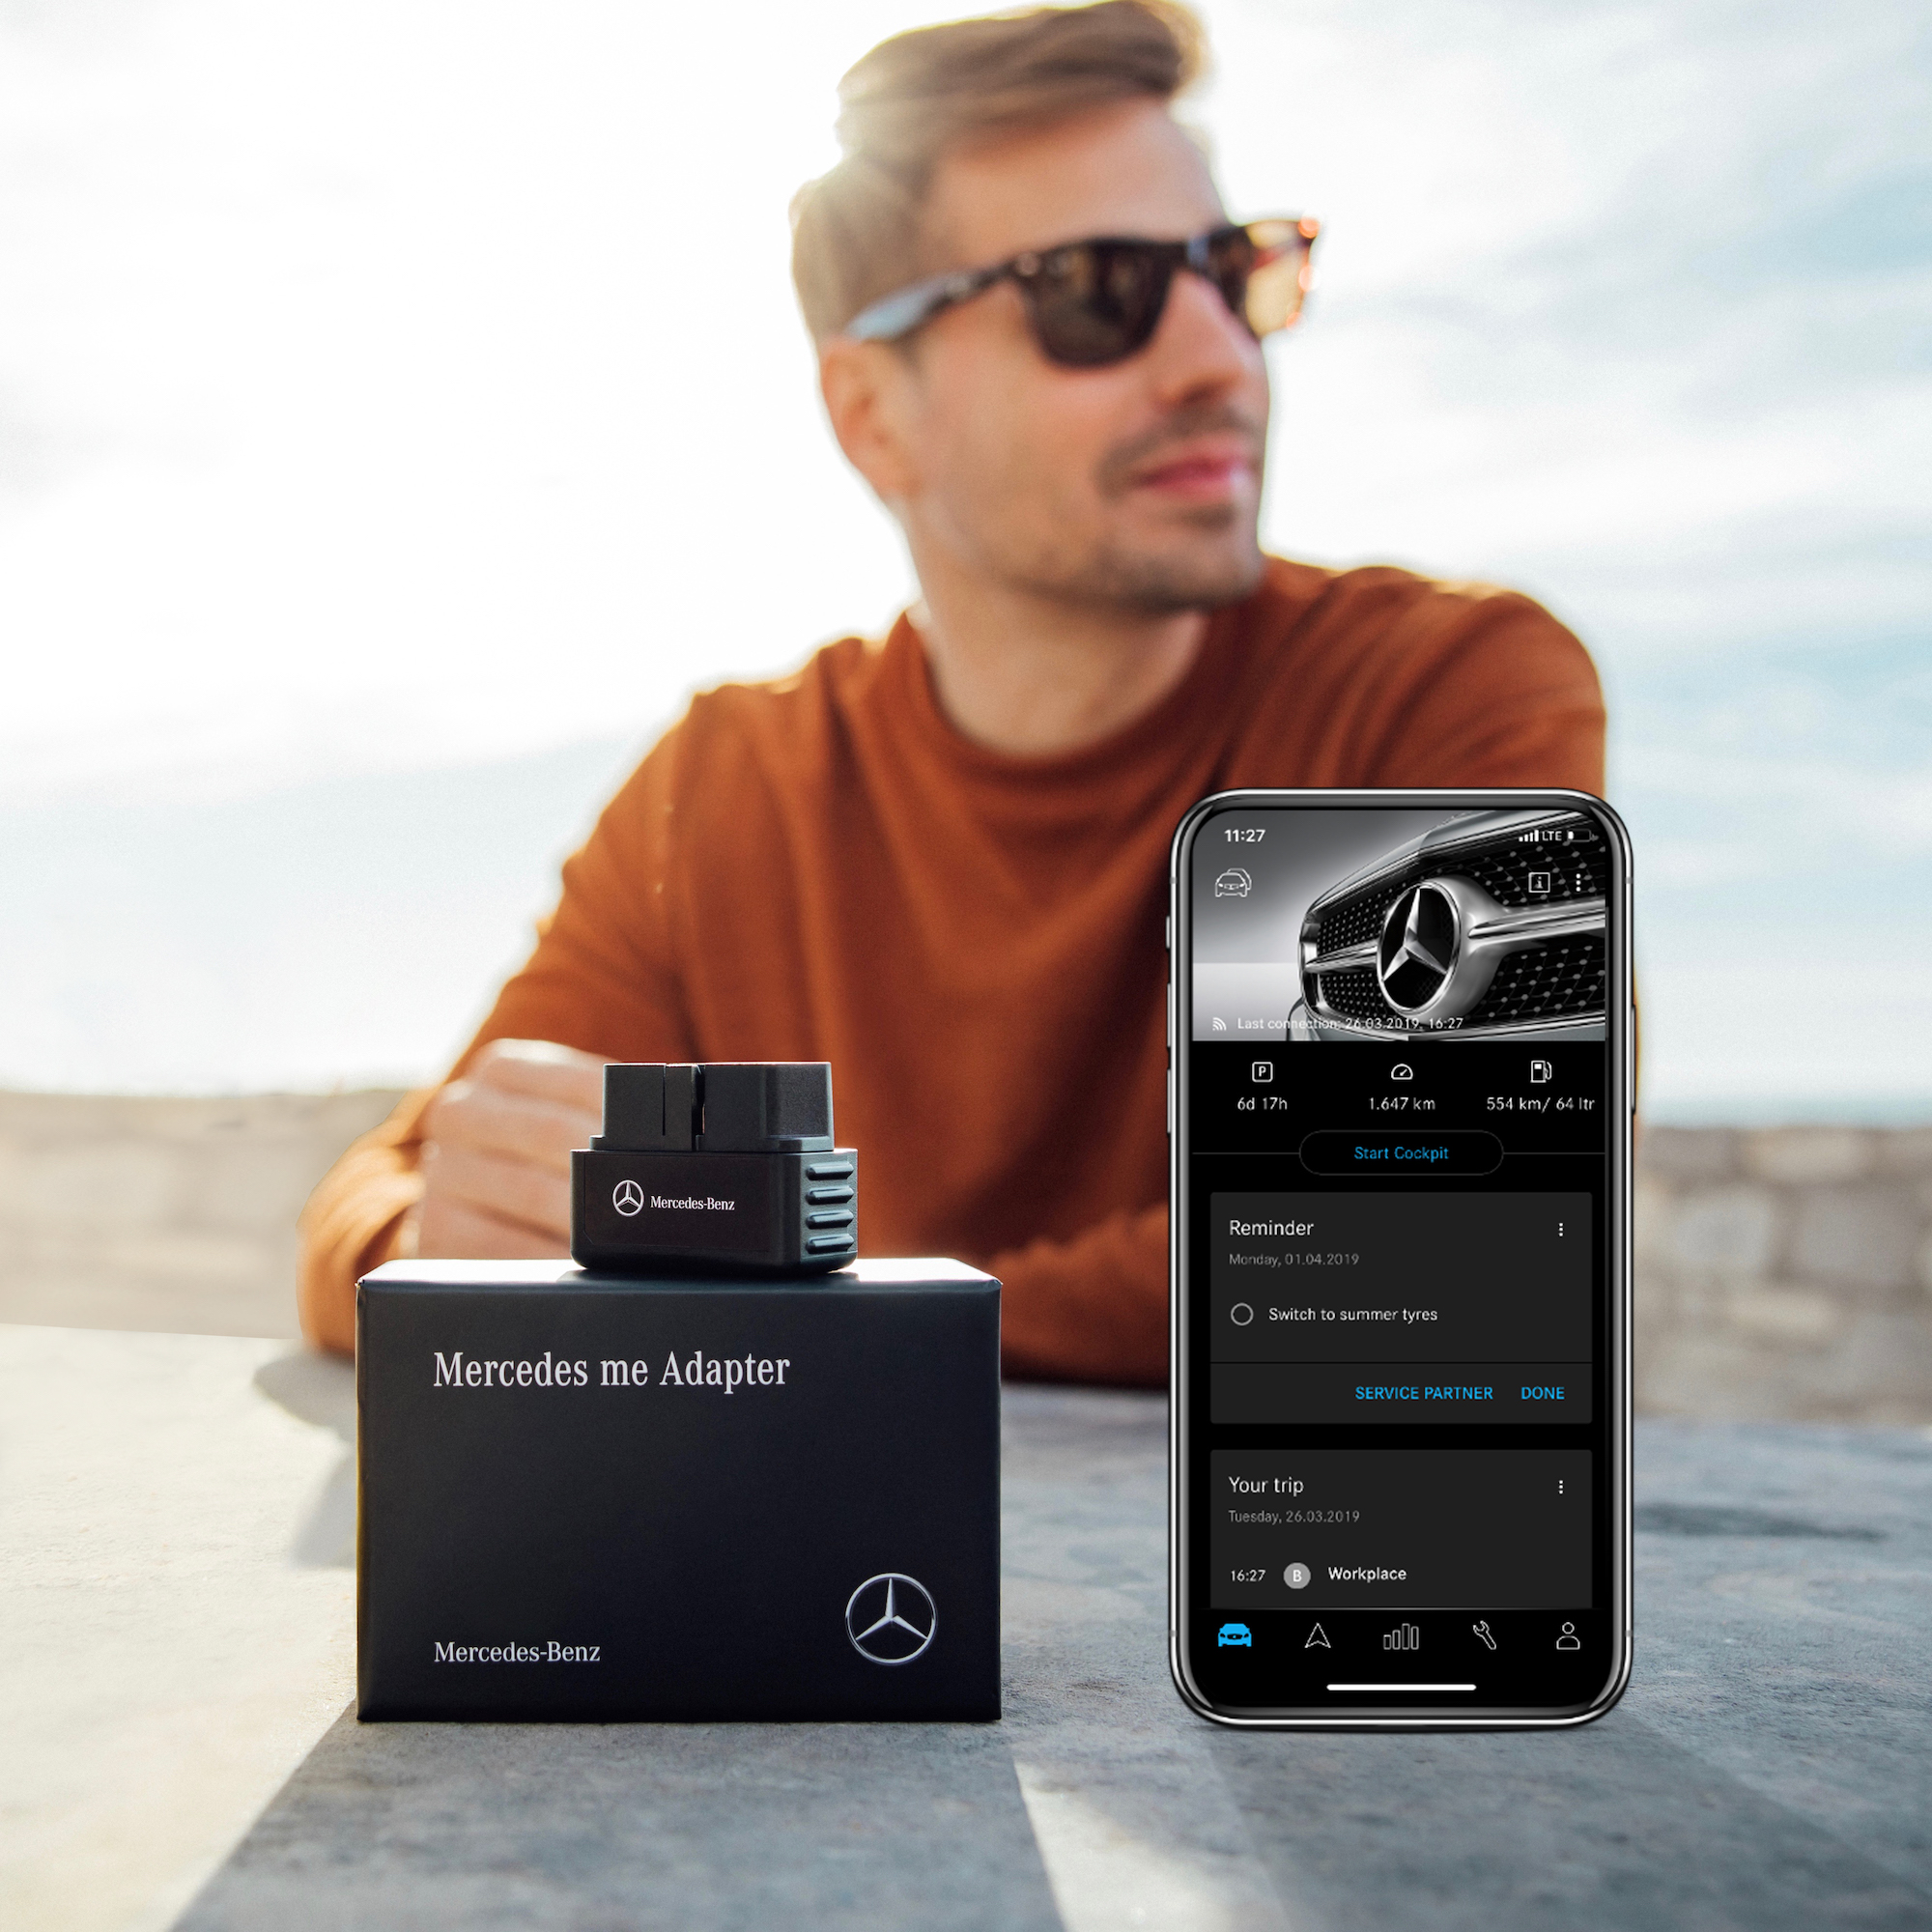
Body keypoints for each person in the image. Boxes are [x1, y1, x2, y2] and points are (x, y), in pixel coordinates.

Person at [298, 0, 1605, 1379]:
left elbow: (1432, 1233)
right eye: (1096, 289)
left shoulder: (1430, 693)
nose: (1222, 358)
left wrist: (777, 1307)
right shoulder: (729, 785)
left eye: (1236, 272)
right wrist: (437, 1239)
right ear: (873, 414)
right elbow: (380, 1209)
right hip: (796, 1576)